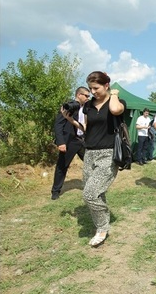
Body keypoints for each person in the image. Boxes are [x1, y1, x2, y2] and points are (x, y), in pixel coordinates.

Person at [62, 71, 126, 247]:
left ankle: (102, 228)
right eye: (90, 88)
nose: (93, 91)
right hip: (89, 154)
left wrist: (114, 93)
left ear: (106, 85)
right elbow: (87, 128)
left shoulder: (118, 102)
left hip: (108, 154)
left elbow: (114, 110)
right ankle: (103, 222)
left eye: (96, 88)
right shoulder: (89, 105)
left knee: (89, 194)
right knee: (97, 192)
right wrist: (71, 121)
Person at [50, 86, 91, 200]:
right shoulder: (69, 106)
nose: (88, 98)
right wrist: (61, 142)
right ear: (79, 95)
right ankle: (55, 191)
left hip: (83, 139)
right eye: (86, 96)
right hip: (70, 141)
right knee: (62, 166)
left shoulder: (87, 108)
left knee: (90, 162)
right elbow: (58, 125)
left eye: (89, 96)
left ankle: (93, 187)